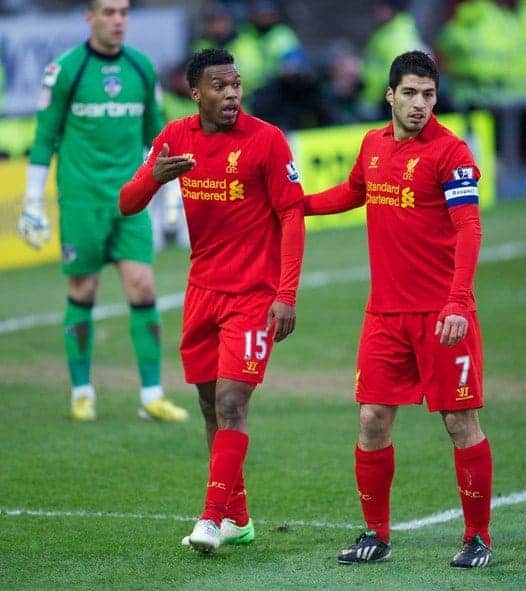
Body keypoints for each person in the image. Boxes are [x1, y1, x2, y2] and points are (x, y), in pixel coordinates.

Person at [304, 50, 493, 568]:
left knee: (460, 422)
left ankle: (477, 537)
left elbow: (468, 229)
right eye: (409, 93)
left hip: (442, 315)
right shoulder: (371, 144)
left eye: (429, 95)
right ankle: (375, 534)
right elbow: (352, 192)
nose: (419, 105)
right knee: (371, 419)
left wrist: (458, 302)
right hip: (384, 314)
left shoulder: (451, 154)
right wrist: (297, 204)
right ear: (389, 95)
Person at [119, 48, 305, 553]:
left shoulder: (266, 140)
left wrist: (285, 294)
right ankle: (238, 520)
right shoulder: (176, 137)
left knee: (230, 402)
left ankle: (209, 518)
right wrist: (154, 177)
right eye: (220, 87)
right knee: (207, 405)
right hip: (202, 292)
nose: (232, 95)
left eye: (237, 85)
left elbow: (292, 216)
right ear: (195, 92)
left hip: (254, 295)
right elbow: (128, 203)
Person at [16, 0, 188, 423]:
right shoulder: (66, 70)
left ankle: (151, 395)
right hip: (82, 201)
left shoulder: (142, 68)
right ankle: (82, 392)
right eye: (109, 12)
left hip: (131, 200)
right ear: (89, 17)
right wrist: (33, 201)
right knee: (83, 292)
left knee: (143, 288)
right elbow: (44, 139)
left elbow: (157, 137)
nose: (118, 20)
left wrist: (171, 196)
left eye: (124, 13)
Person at [361, 0, 428, 120]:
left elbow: (397, 74)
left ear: (391, 10)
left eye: (381, 7)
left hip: (384, 102)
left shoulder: (397, 37)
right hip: (379, 98)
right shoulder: (387, 33)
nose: (376, 11)